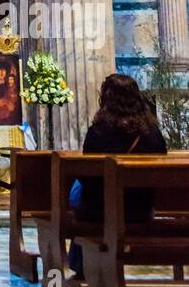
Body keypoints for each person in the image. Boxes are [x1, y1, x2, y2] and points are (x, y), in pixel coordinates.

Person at [68, 73, 167, 275]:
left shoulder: (99, 132)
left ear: (106, 99)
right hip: (141, 208)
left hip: (100, 209)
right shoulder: (152, 133)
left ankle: (79, 268)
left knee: (76, 192)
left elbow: (87, 175)